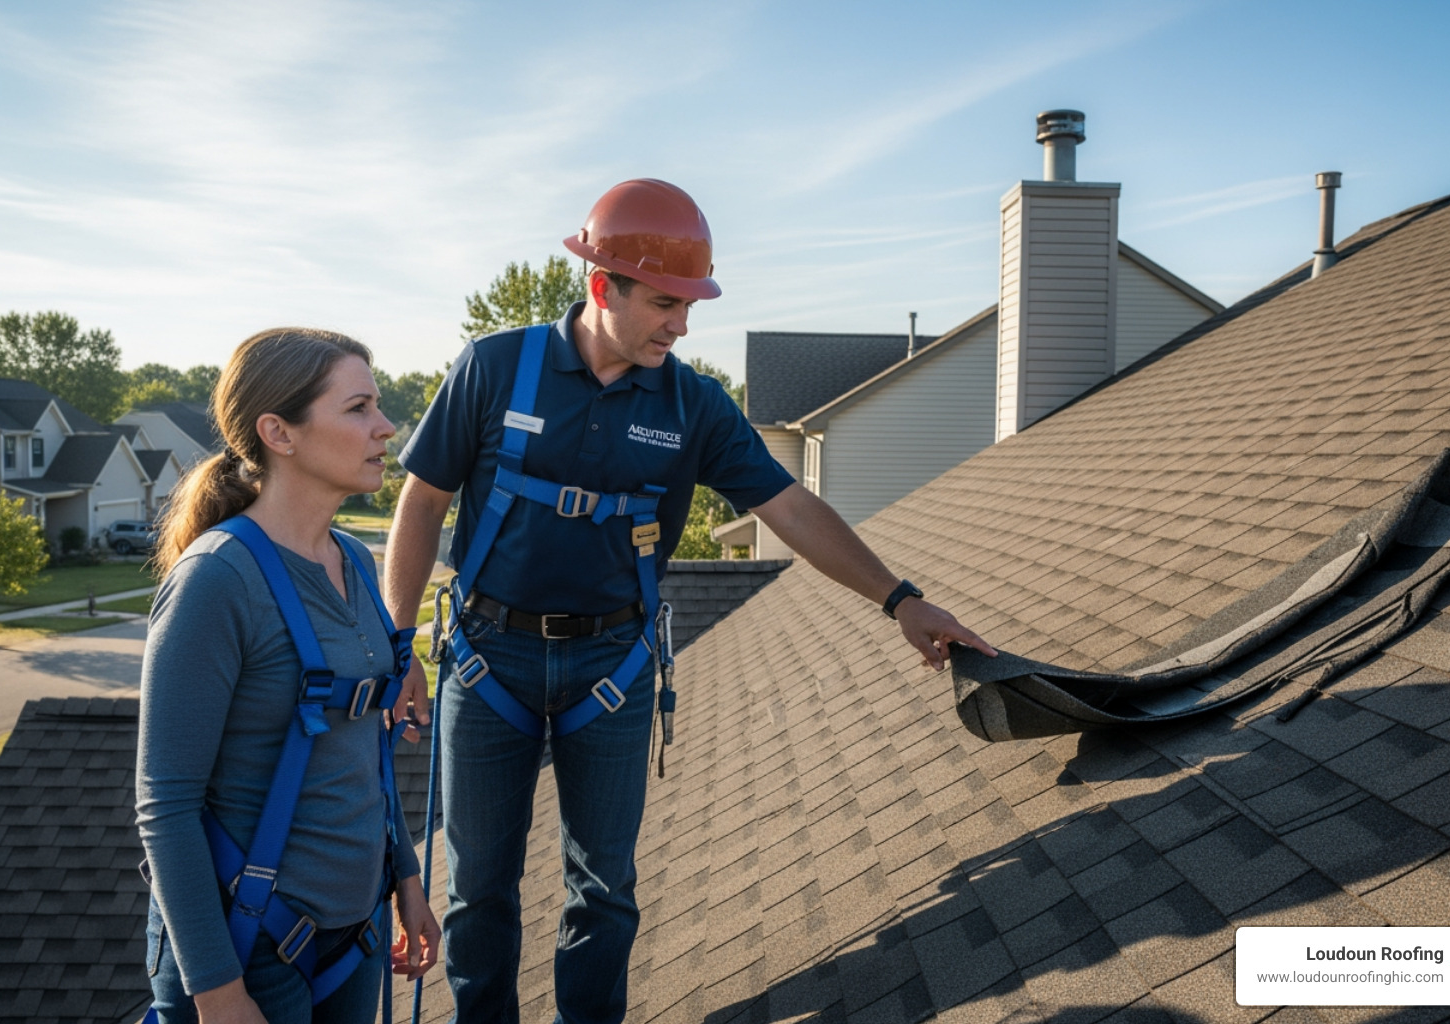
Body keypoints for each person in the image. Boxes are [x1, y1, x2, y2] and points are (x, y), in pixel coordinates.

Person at [382, 178, 995, 1023]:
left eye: (689, 306)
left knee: (604, 889)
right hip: (491, 660)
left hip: (613, 664)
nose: (681, 325)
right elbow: (419, 503)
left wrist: (899, 599)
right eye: (666, 304)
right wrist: (395, 644)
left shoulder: (691, 403)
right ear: (604, 286)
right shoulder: (495, 369)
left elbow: (791, 510)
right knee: (479, 887)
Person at [136, 328, 441, 1023]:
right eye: (359, 408)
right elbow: (166, 805)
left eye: (379, 406)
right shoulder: (217, 580)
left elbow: (364, 748)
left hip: (354, 940)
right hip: (249, 954)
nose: (385, 427)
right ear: (280, 432)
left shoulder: (357, 564)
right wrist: (217, 993)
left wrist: (407, 877)